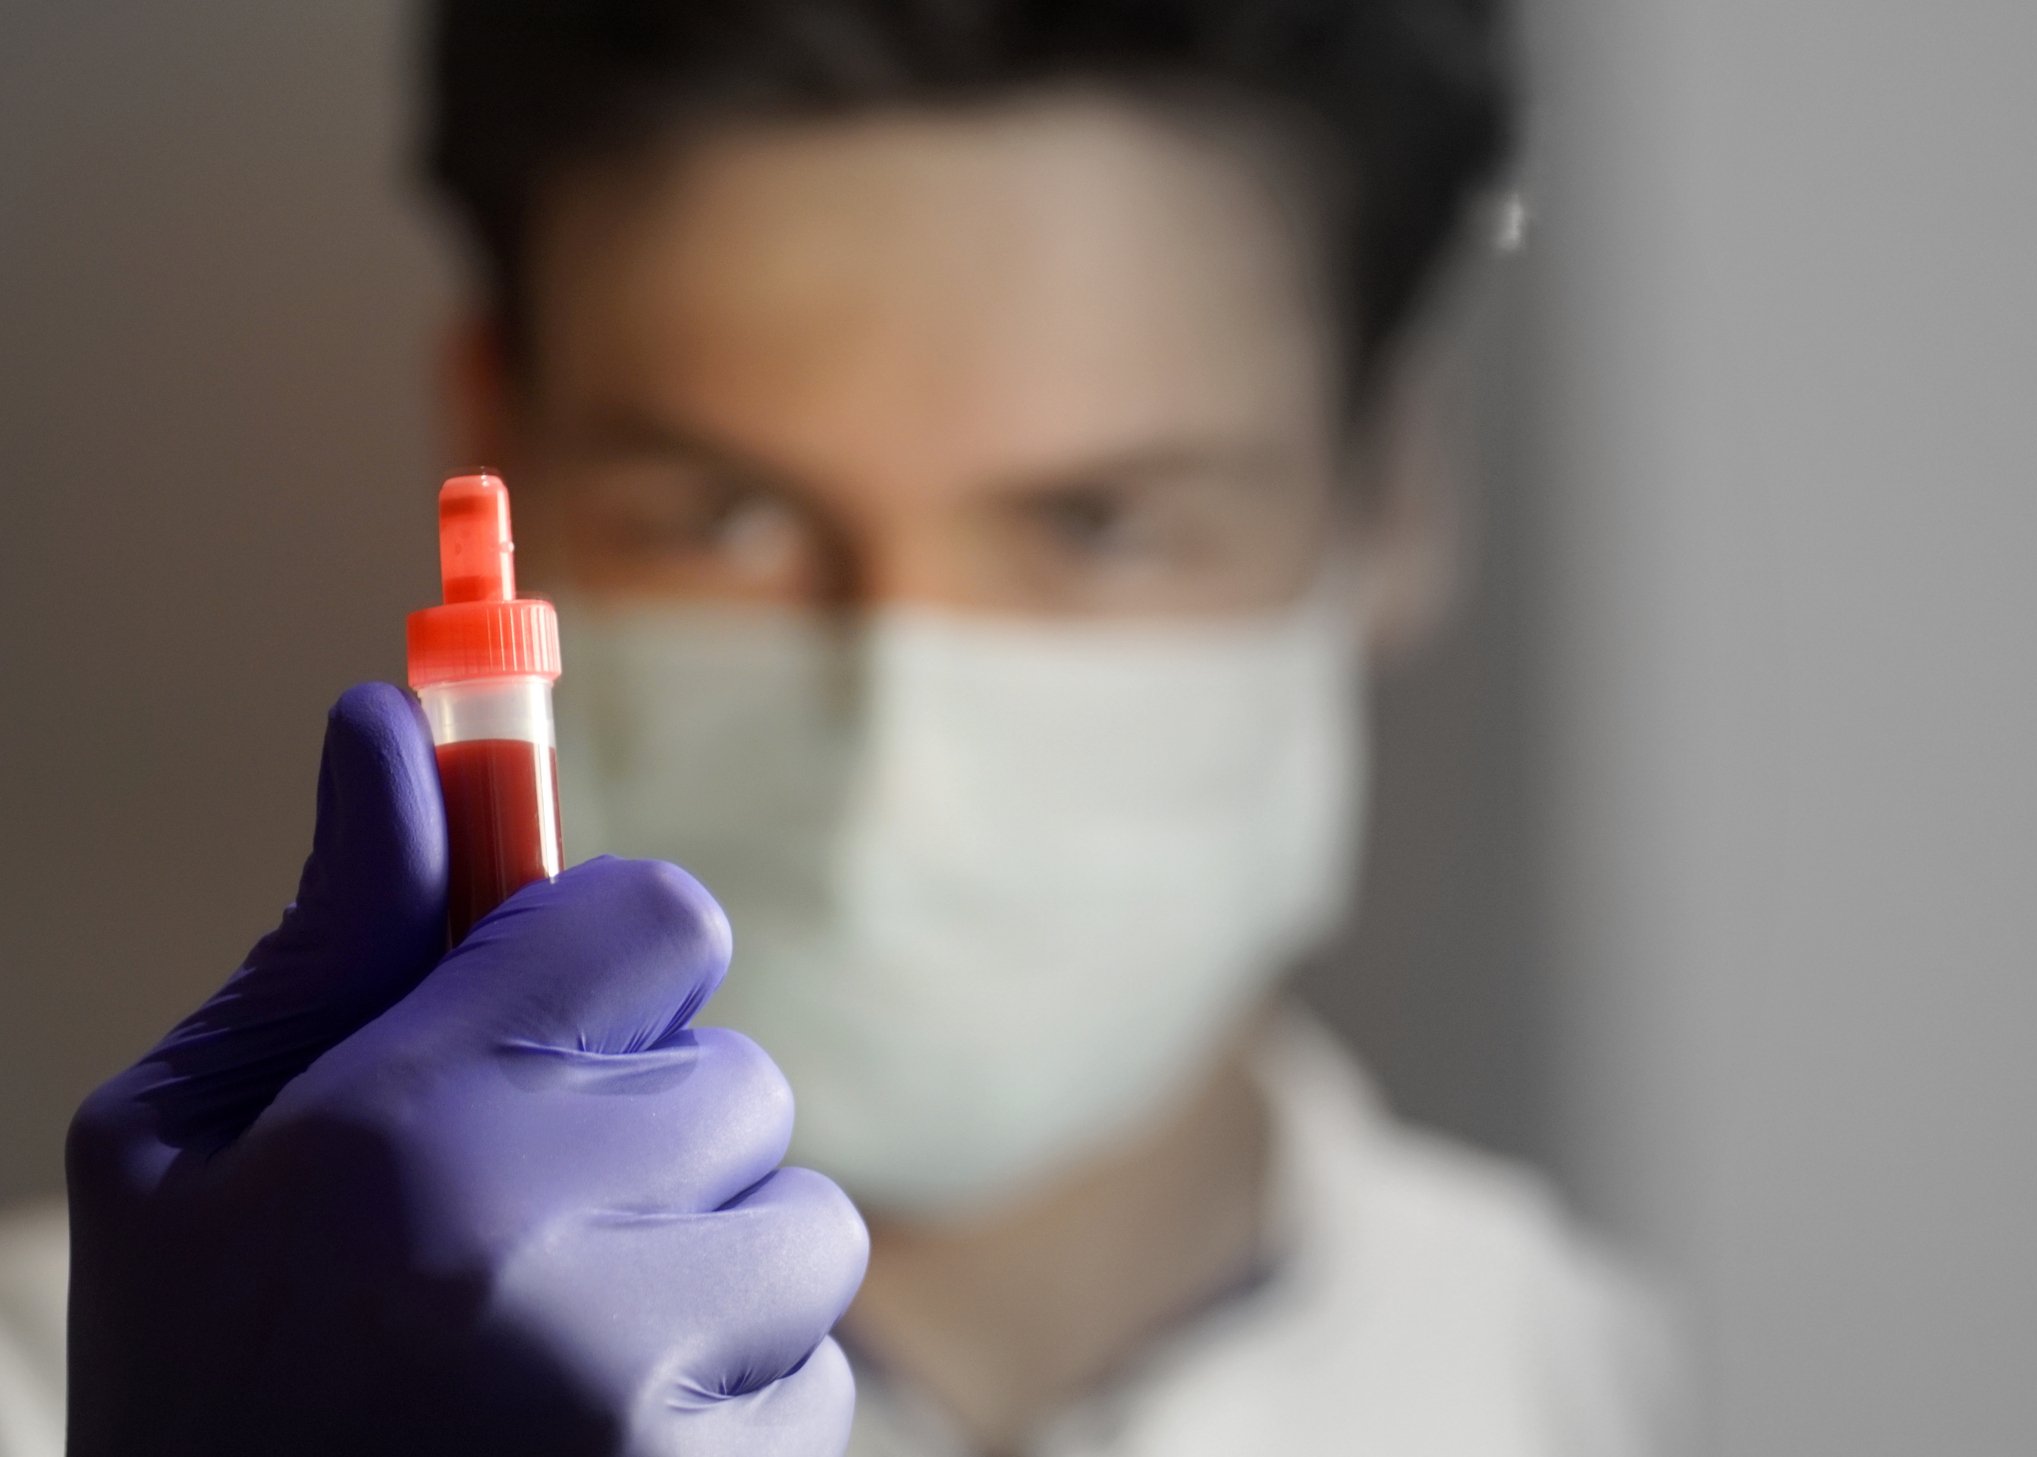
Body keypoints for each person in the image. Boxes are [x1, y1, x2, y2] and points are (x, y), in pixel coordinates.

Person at [0, 1, 1674, 1452]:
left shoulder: (1630, 1393)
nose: (896, 743)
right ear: (493, 447)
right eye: (725, 513)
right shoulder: (72, 1396)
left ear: (1392, 495)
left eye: (1096, 522)